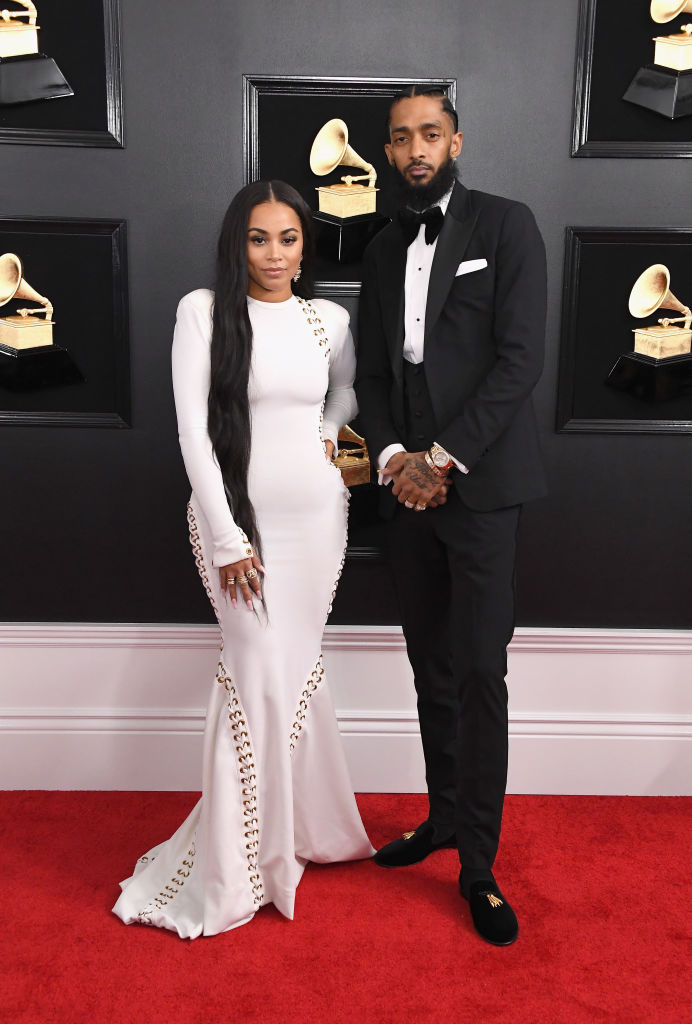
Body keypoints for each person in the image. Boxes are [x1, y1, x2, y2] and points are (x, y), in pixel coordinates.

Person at [113, 180, 373, 938]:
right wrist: (228, 538)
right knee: (254, 665)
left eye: (288, 238)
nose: (275, 254)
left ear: (306, 245)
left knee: (295, 669)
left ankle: (306, 833)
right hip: (238, 524)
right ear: (238, 244)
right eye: (259, 239)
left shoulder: (329, 319)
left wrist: (327, 431)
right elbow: (192, 431)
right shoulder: (203, 312)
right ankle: (238, 866)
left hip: (319, 517)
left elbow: (347, 393)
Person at [355, 86, 547, 946]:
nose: (416, 149)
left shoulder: (506, 226)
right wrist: (398, 458)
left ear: (455, 142)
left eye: (430, 133)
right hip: (407, 493)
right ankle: (440, 817)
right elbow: (373, 374)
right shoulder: (380, 246)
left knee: (478, 673)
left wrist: (442, 458)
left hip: (481, 489)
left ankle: (478, 865)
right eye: (401, 138)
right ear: (389, 152)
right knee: (428, 665)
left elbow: (519, 362)